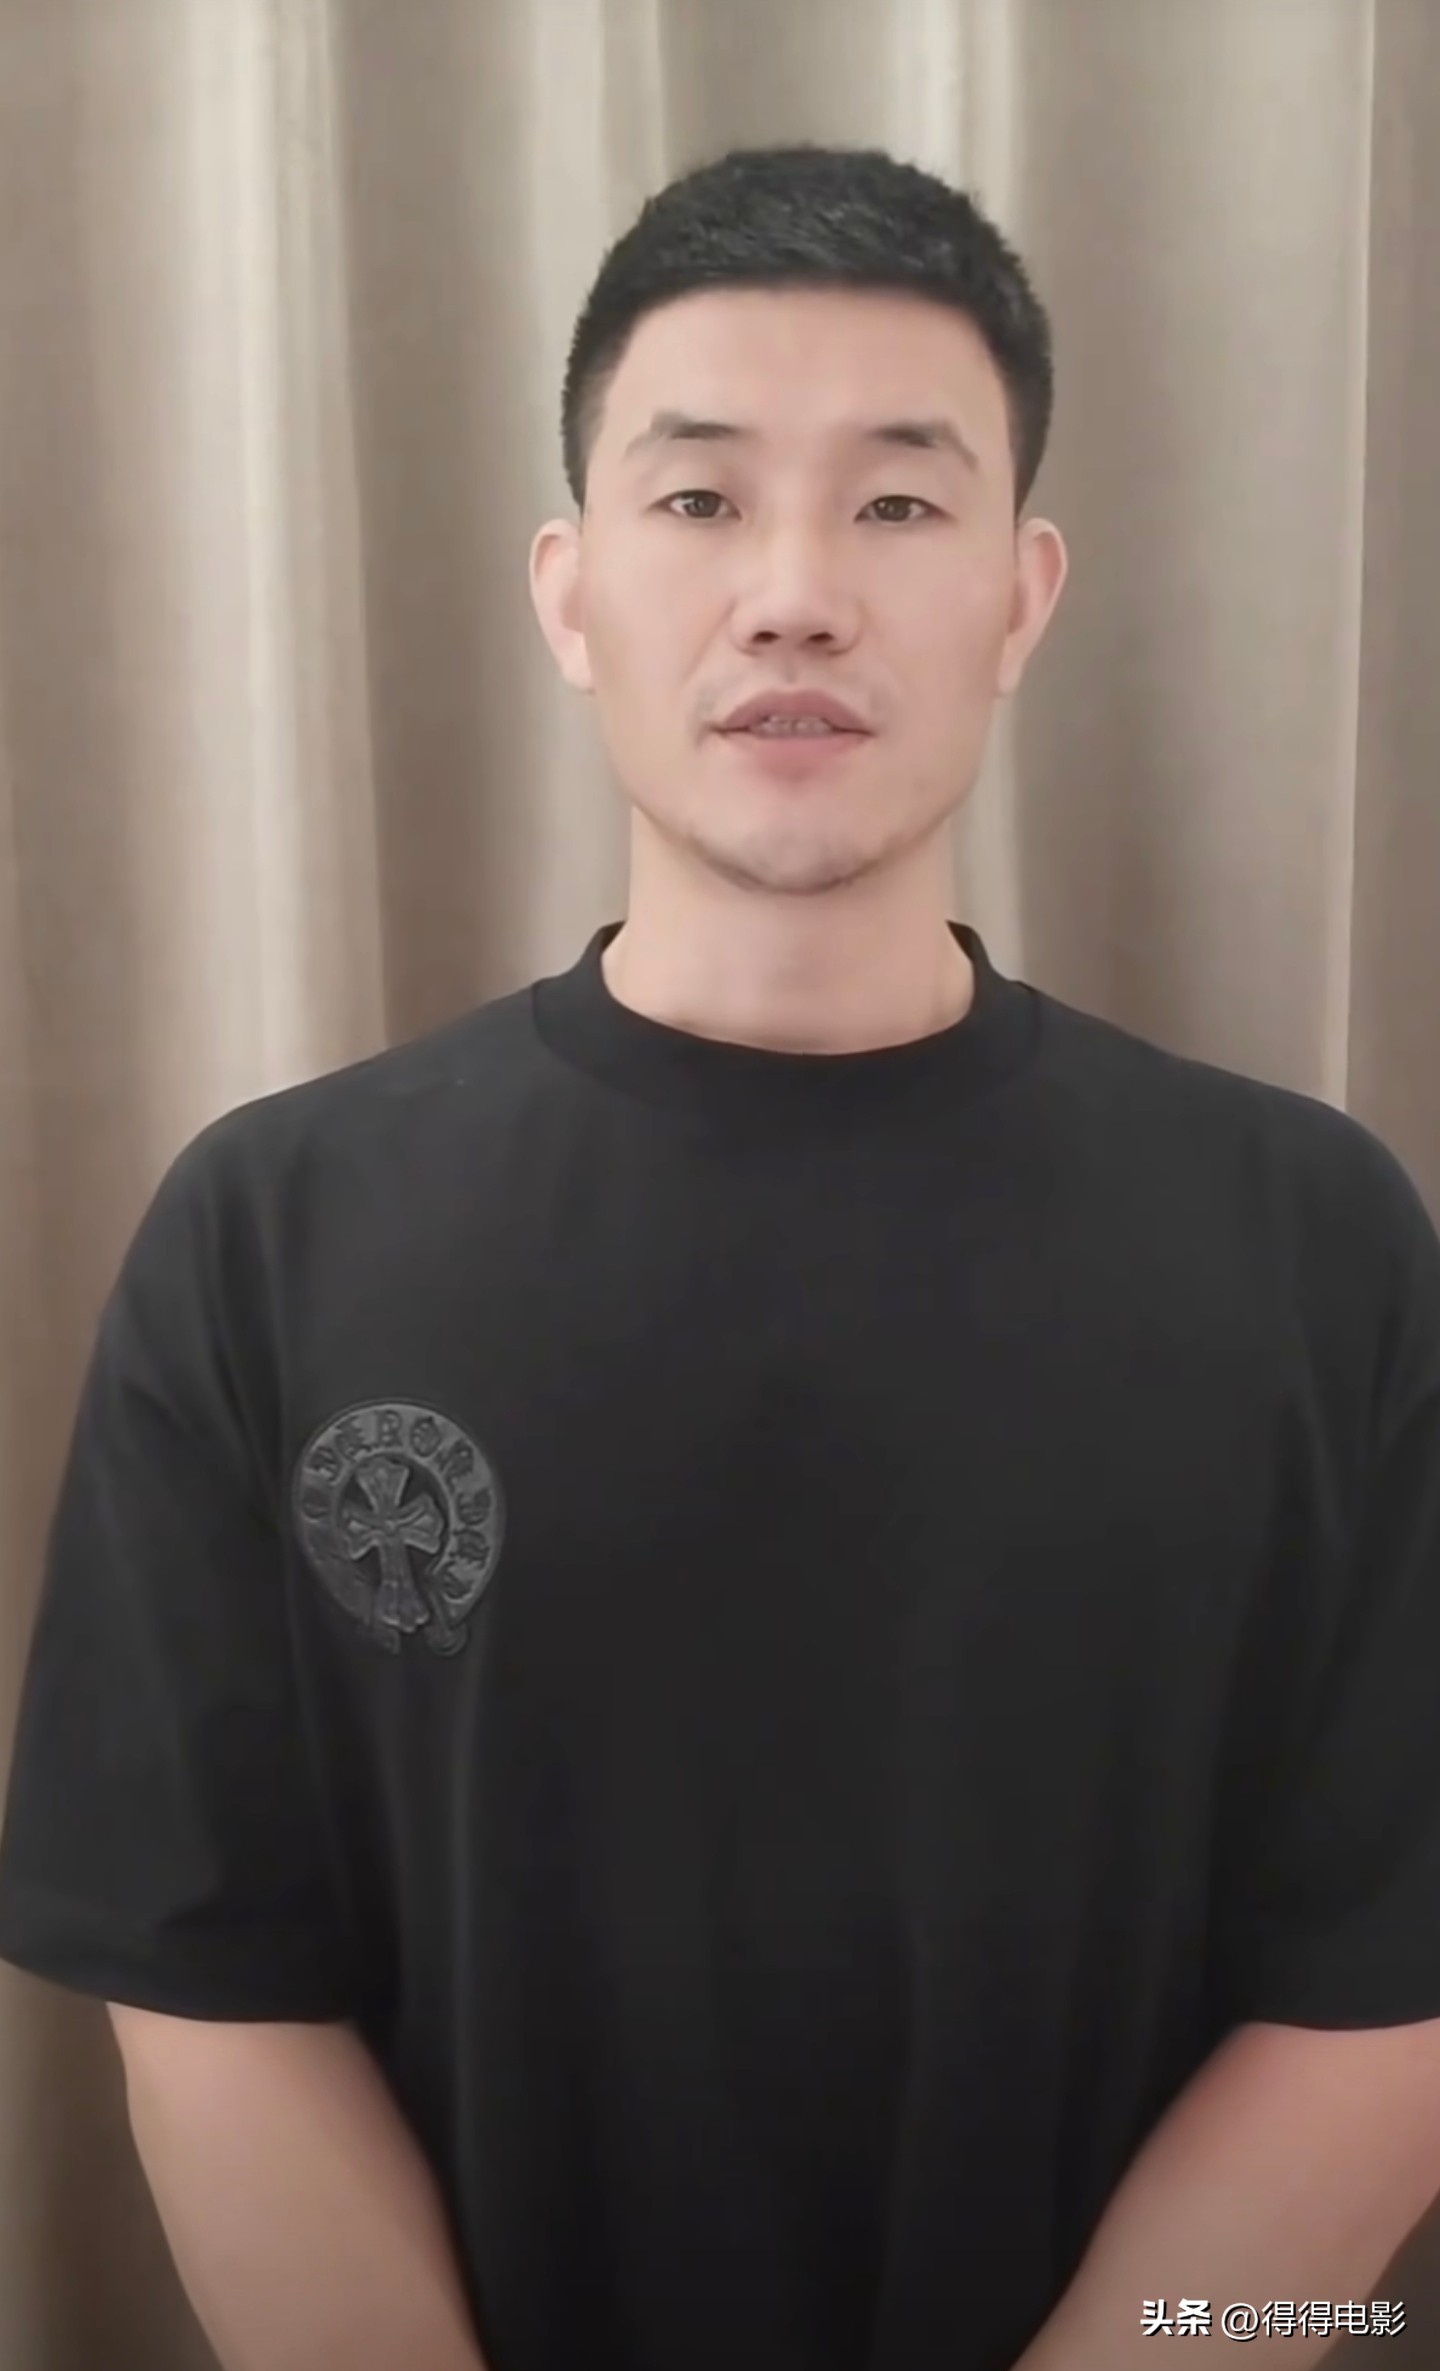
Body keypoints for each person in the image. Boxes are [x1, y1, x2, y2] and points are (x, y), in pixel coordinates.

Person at [1, 139, 1438, 2371]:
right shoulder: (271, 1232)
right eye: (698, 497)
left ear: (1024, 596)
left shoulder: (1313, 1242)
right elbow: (208, 1984)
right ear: (569, 591)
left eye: (898, 503)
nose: (793, 595)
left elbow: (1386, 1993)